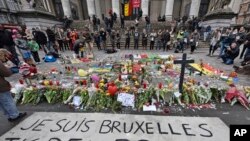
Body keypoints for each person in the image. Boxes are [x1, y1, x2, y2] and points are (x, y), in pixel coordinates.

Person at [0, 49, 27, 122]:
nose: (6, 59)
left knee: (2, 102)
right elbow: (6, 73)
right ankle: (14, 115)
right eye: (6, 57)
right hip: (1, 86)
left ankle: (9, 115)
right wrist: (8, 68)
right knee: (7, 100)